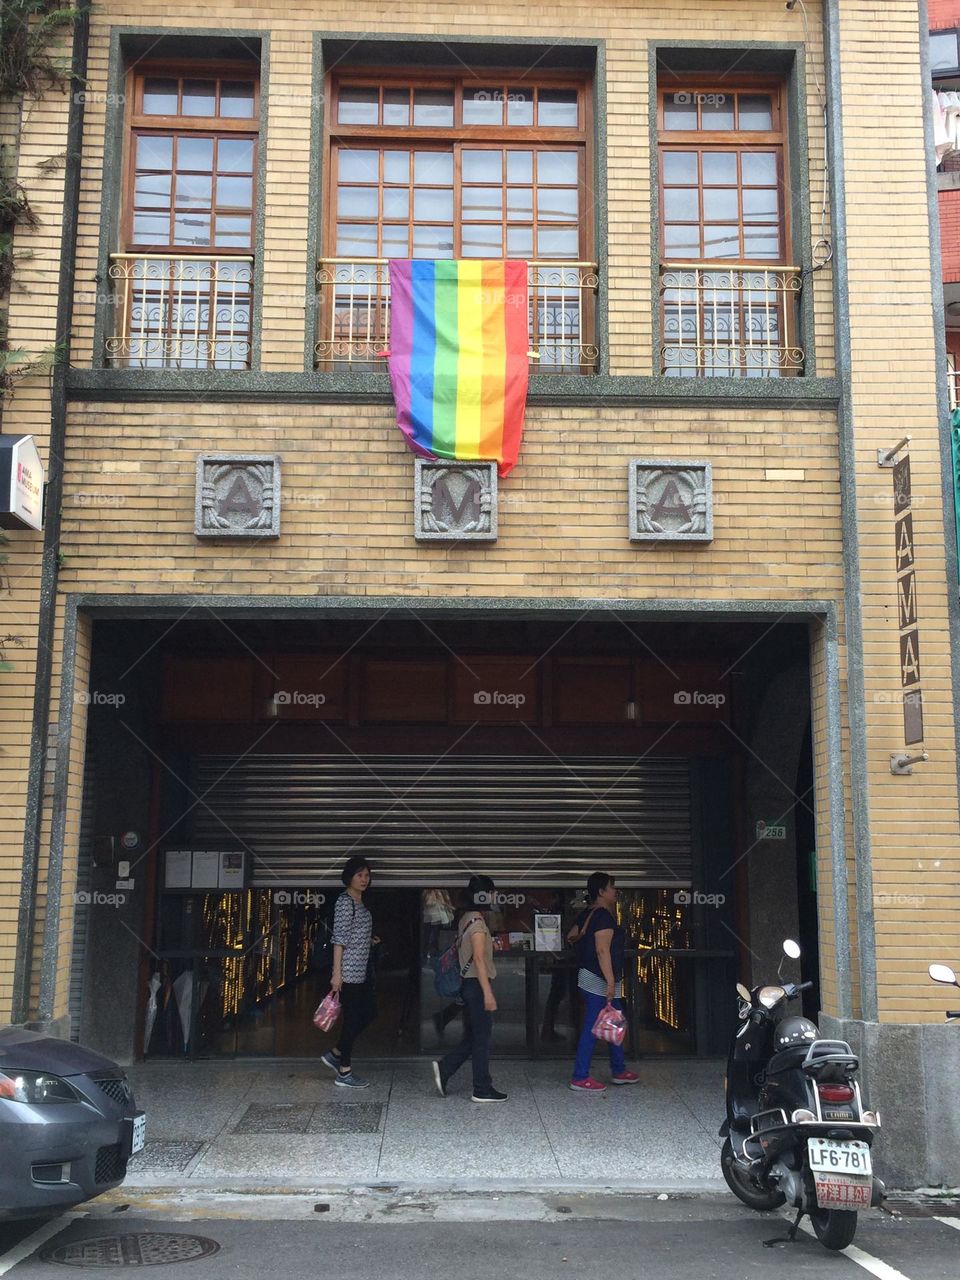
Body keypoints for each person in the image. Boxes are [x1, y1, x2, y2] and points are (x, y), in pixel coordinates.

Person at [432, 875, 506, 1103]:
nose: (495, 896)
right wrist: (488, 993)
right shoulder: (477, 923)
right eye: (492, 892)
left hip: (469, 986)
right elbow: (479, 961)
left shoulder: (466, 918)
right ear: (483, 895)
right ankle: (481, 1088)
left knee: (473, 1037)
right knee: (481, 1039)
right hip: (476, 986)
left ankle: (445, 1069)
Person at [568, 871, 639, 1092]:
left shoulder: (588, 914)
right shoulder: (603, 917)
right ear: (601, 891)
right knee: (592, 1026)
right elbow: (602, 950)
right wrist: (609, 981)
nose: (615, 891)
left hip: (594, 978)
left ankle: (619, 1070)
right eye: (611, 887)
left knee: (615, 1021)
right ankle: (580, 1077)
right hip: (599, 980)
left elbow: (571, 935)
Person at [321, 856, 377, 1088]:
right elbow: (339, 939)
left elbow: (354, 934)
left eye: (366, 875)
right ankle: (344, 1071)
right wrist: (337, 974)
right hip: (348, 972)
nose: (364, 879)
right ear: (349, 877)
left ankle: (335, 1053)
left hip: (360, 970)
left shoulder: (359, 901)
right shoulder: (345, 902)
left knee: (370, 1013)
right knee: (352, 1019)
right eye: (359, 875)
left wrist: (369, 940)